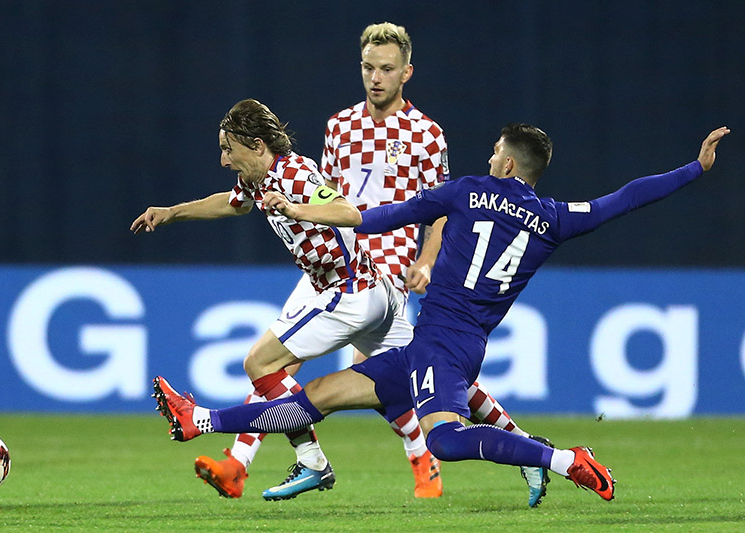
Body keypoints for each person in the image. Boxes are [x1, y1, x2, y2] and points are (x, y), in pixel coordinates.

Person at [152, 123, 730, 504]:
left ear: (506, 165)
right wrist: (695, 169)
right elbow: (624, 199)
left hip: (441, 348)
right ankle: (196, 420)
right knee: (317, 396)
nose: (489, 157)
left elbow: (376, 218)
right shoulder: (557, 218)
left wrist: (303, 209)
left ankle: (564, 458)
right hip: (442, 344)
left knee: (447, 441)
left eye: (495, 152)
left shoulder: (464, 191)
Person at [193, 22, 551, 505]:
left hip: (390, 269)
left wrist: (426, 260)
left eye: (385, 68)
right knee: (290, 364)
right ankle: (246, 464)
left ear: (407, 72)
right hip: (339, 262)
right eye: (367, 67)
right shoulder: (339, 126)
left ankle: (449, 459)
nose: (375, 77)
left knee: (393, 375)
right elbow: (323, 192)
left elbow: (442, 207)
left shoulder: (426, 133)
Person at [132, 98, 422, 501]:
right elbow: (232, 204)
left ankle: (313, 462)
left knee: (260, 362)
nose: (223, 160)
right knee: (431, 378)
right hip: (369, 292)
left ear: (255, 145)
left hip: (349, 291)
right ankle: (527, 452)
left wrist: (296, 207)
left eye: (227, 149)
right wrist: (173, 212)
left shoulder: (294, 174)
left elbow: (347, 211)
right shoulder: (258, 179)